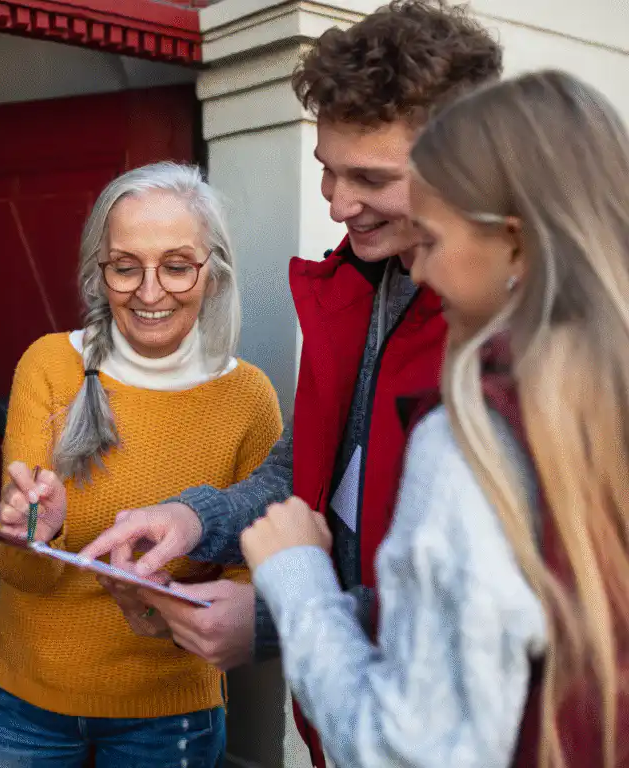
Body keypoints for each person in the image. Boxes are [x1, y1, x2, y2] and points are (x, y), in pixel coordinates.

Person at [81, 2, 502, 763]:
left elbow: (498, 606)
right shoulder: (361, 283)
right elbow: (314, 468)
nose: (337, 206)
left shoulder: (508, 330)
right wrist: (192, 518)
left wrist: (278, 615)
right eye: (327, 172)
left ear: (467, 163)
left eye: (370, 177)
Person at [242, 69, 629, 768]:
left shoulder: (470, 441)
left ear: (513, 243)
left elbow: (403, 749)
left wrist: (296, 584)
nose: (422, 271)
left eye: (437, 236)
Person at [0, 162, 283, 767]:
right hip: (26, 699)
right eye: (125, 266)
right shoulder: (48, 367)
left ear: (212, 274)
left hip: (171, 714)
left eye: (176, 265)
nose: (149, 291)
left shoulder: (249, 399)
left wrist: (175, 607)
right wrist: (37, 531)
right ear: (100, 274)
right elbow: (21, 571)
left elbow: (252, 577)